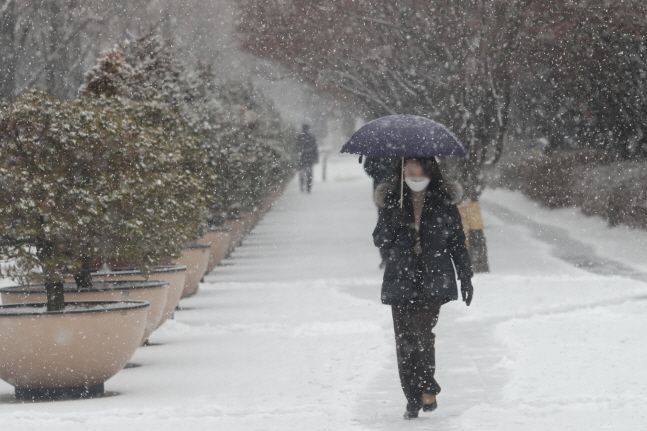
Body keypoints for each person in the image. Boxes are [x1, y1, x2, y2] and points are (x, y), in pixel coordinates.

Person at [372, 157, 474, 420]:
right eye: (407, 165)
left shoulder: (442, 201)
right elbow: (379, 238)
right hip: (401, 279)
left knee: (421, 332)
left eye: (416, 165)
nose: (411, 169)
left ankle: (427, 386)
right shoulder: (394, 199)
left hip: (433, 278)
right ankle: (412, 397)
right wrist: (392, 215)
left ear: (428, 168)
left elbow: (457, 242)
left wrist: (466, 276)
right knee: (403, 340)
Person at [296, 124, 319, 193]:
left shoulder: (299, 136)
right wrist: (316, 158)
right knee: (309, 173)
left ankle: (302, 186)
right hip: (309, 157)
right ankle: (308, 187)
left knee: (302, 173)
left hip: (302, 157)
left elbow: (296, 147)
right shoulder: (311, 137)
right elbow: (315, 148)